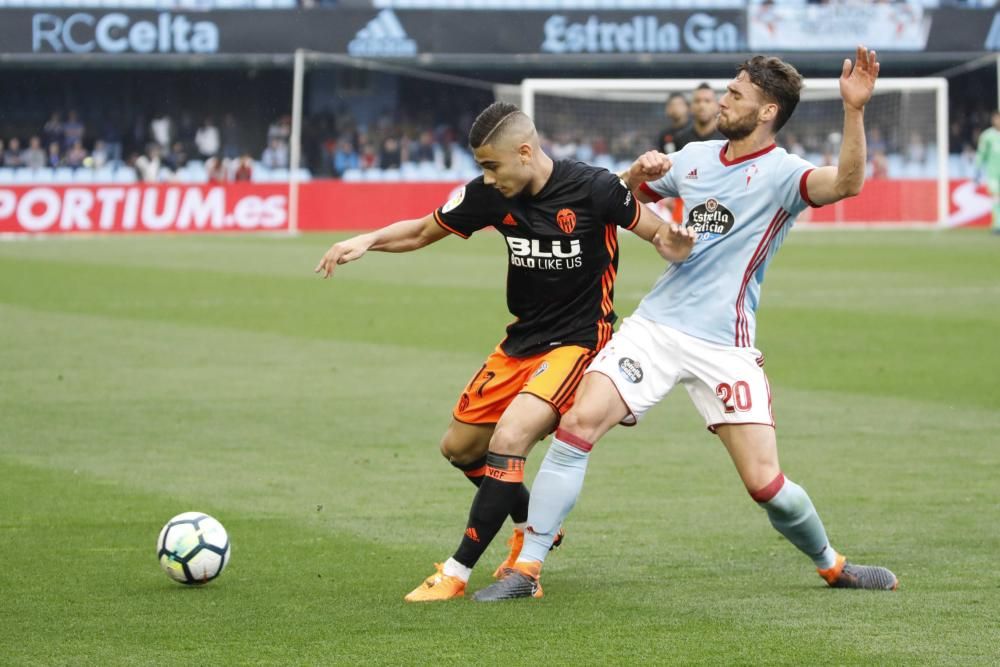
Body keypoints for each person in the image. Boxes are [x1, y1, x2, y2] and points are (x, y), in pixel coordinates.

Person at [476, 47, 899, 602]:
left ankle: (831, 564)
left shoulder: (783, 174)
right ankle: (525, 571)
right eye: (726, 90)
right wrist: (637, 172)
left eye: (736, 95)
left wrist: (854, 110)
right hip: (655, 327)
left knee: (766, 485)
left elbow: (846, 183)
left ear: (767, 111)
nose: (722, 99)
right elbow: (619, 199)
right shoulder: (696, 157)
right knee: (579, 424)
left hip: (724, 343)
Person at [315, 101, 695, 603]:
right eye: (481, 168)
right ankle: (534, 524)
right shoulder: (492, 196)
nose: (487, 178)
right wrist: (367, 240)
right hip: (521, 341)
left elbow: (658, 236)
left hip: (581, 341)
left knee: (512, 435)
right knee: (461, 448)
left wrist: (679, 240)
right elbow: (422, 230)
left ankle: (456, 572)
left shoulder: (595, 188)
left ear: (524, 151)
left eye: (491, 165)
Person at [674, 83, 725, 150]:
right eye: (697, 101)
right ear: (691, 107)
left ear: (717, 106)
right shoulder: (680, 139)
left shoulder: (726, 140)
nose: (702, 106)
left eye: (707, 101)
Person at [975, 110, 1000, 233]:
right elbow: (981, 154)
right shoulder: (987, 136)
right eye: (996, 118)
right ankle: (997, 225)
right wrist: (977, 170)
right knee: (996, 197)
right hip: (993, 173)